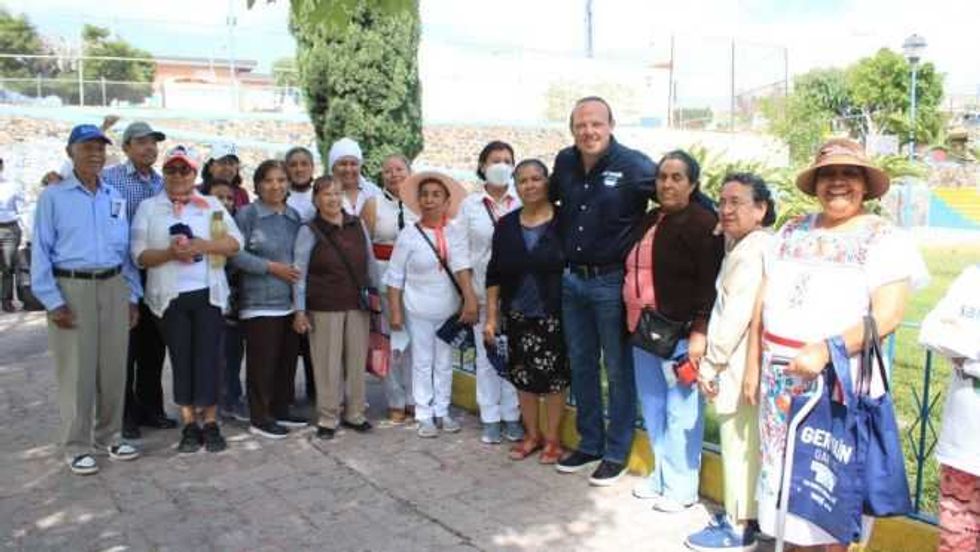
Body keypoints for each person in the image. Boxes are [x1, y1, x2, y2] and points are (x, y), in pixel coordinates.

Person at [743, 138, 929, 550]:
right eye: (828, 174)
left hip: (839, 384)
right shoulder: (792, 230)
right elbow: (764, 298)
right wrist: (754, 363)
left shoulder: (885, 239)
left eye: (849, 174)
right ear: (815, 183)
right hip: (781, 382)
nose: (838, 183)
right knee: (784, 485)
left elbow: (888, 315)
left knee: (830, 486)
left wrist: (827, 349)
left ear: (865, 184)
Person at [549, 96, 656, 485]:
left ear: (611, 125)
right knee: (581, 364)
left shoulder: (635, 166)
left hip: (612, 282)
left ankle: (616, 451)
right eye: (581, 125)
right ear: (572, 129)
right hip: (572, 280)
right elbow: (547, 203)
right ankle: (590, 442)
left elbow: (678, 195)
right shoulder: (564, 162)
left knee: (617, 368)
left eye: (596, 123)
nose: (588, 131)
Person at [31, 124, 142, 475]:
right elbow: (41, 252)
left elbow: (124, 252)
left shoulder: (114, 197)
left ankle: (109, 436)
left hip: (113, 285)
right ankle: (76, 444)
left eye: (99, 148)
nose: (95, 154)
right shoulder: (54, 196)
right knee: (76, 371)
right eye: (86, 148)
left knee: (113, 367)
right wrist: (52, 300)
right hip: (72, 287)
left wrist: (132, 296)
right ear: (70, 153)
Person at [625, 150, 723, 510]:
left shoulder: (702, 224)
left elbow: (710, 285)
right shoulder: (651, 219)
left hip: (681, 335)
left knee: (682, 412)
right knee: (652, 406)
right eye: (662, 177)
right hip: (643, 331)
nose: (667, 183)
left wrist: (700, 330)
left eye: (677, 177)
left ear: (693, 184)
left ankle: (682, 488)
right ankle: (661, 476)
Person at [684, 173, 775, 551]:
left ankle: (739, 528)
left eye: (736, 201)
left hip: (738, 365)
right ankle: (750, 517)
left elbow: (735, 315)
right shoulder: (745, 245)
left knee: (739, 445)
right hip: (742, 362)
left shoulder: (753, 250)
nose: (725, 208)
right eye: (722, 201)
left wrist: (711, 364)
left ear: (761, 209)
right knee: (749, 443)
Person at [131, 145, 242, 453]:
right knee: (181, 360)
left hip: (208, 294)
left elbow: (235, 243)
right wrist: (170, 253)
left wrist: (203, 245)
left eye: (185, 170)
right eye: (172, 170)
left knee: (209, 358)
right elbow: (139, 255)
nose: (178, 175)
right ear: (163, 174)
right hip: (169, 297)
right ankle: (189, 423)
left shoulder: (210, 204)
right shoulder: (149, 208)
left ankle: (211, 421)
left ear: (195, 174)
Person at [484, 159, 570, 464]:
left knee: (555, 380)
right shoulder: (506, 226)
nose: (530, 185)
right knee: (523, 378)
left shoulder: (565, 220)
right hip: (517, 313)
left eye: (536, 179)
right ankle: (531, 435)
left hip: (556, 313)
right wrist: (492, 317)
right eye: (523, 180)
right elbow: (493, 274)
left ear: (547, 182)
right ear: (515, 186)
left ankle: (553, 440)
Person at [385, 171, 478, 438]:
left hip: (448, 309)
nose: (430, 200)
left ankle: (443, 410)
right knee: (423, 361)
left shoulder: (455, 232)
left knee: (444, 361)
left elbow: (462, 267)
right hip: (418, 308)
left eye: (436, 194)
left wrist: (469, 299)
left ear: (447, 200)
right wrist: (395, 311)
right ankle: (424, 413)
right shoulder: (409, 234)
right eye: (425, 194)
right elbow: (394, 276)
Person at [100, 121, 175, 440]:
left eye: (153, 142)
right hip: (120, 272)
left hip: (155, 271)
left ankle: (151, 409)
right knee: (124, 348)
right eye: (142, 142)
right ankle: (124, 414)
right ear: (126, 147)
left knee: (153, 347)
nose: (149, 148)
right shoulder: (111, 179)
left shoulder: (161, 184)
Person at [293, 176, 378, 440]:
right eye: (326, 194)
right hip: (325, 305)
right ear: (316, 199)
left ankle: (355, 413)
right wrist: (299, 309)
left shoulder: (357, 224)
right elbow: (300, 272)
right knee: (327, 363)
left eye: (337, 193)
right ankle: (328, 417)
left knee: (355, 360)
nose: (332, 199)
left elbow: (370, 261)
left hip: (356, 303)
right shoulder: (309, 230)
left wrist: (378, 295)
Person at [231, 160, 306, 439]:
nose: (276, 186)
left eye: (281, 180)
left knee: (286, 361)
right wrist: (271, 267)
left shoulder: (294, 217)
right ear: (258, 185)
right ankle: (260, 417)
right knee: (262, 363)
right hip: (259, 301)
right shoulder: (247, 215)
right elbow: (235, 255)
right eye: (269, 180)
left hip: (289, 302)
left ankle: (281, 409)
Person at [459, 140, 524, 445]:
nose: (501, 165)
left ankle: (512, 416)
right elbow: (459, 254)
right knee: (486, 358)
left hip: (517, 295)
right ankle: (490, 418)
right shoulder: (469, 206)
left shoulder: (522, 201)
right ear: (482, 166)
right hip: (482, 296)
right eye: (495, 160)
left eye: (507, 160)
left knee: (513, 356)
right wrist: (468, 296)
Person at [918, 264, 980, 552]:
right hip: (963, 451)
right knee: (956, 544)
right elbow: (930, 330)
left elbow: (954, 342)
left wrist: (966, 355)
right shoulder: (972, 277)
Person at [372, 153, 419, 424]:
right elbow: (365, 244)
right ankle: (395, 399)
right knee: (391, 339)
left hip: (417, 279)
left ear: (409, 171)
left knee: (418, 339)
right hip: (385, 274)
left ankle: (415, 397)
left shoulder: (421, 201)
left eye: (399, 169)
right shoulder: (374, 203)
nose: (394, 175)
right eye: (388, 170)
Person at [201, 178, 248, 422]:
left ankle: (232, 399)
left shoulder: (236, 225)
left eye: (230, 198)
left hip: (234, 301)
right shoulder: (197, 222)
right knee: (208, 355)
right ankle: (208, 403)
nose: (225, 202)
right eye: (219, 197)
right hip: (204, 298)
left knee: (232, 353)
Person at [283, 146, 317, 405]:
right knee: (288, 342)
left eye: (304, 163)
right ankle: (285, 396)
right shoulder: (279, 196)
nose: (299, 168)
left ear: (312, 167)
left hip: (315, 278)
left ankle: (317, 393)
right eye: (293, 164)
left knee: (314, 345)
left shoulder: (321, 195)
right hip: (284, 276)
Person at [328, 137, 380, 233]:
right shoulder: (324, 194)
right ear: (332, 167)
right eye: (343, 164)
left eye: (353, 164)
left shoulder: (374, 192)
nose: (348, 169)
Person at [0, 155, 26, 312]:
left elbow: (21, 208)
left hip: (9, 228)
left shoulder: (11, 186)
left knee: (7, 266)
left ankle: (6, 300)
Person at [202, 141, 249, 208]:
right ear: (210, 167)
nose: (227, 168)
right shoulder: (196, 191)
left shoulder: (242, 194)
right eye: (222, 162)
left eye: (231, 163)